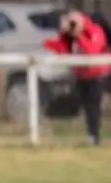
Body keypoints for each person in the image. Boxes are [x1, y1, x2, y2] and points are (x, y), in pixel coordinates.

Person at [44, 9, 109, 146]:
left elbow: (92, 52)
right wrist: (62, 35)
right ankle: (92, 135)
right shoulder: (68, 35)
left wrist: (79, 36)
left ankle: (94, 136)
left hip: (99, 74)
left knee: (92, 105)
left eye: (74, 23)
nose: (72, 26)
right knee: (85, 106)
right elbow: (62, 51)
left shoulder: (94, 30)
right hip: (82, 75)